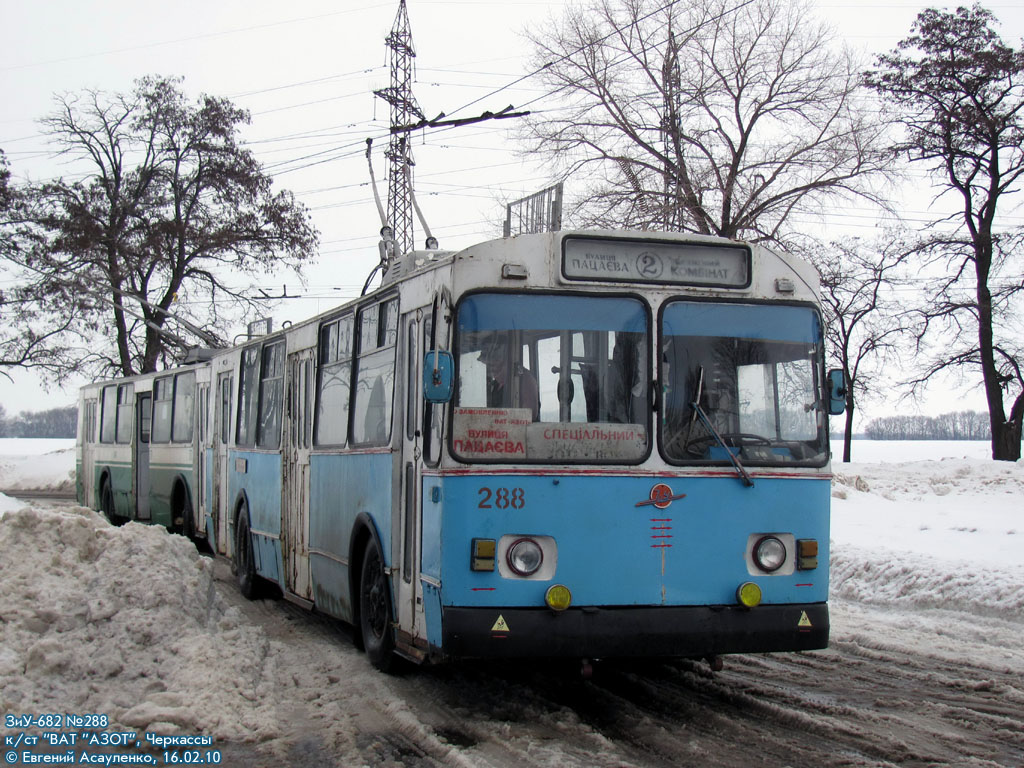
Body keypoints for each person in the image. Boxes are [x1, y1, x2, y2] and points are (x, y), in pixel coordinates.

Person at [479, 339, 540, 421]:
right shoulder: (495, 385)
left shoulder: (525, 379)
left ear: (507, 360)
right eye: (488, 364)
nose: (491, 369)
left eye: (494, 363)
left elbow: (529, 416)